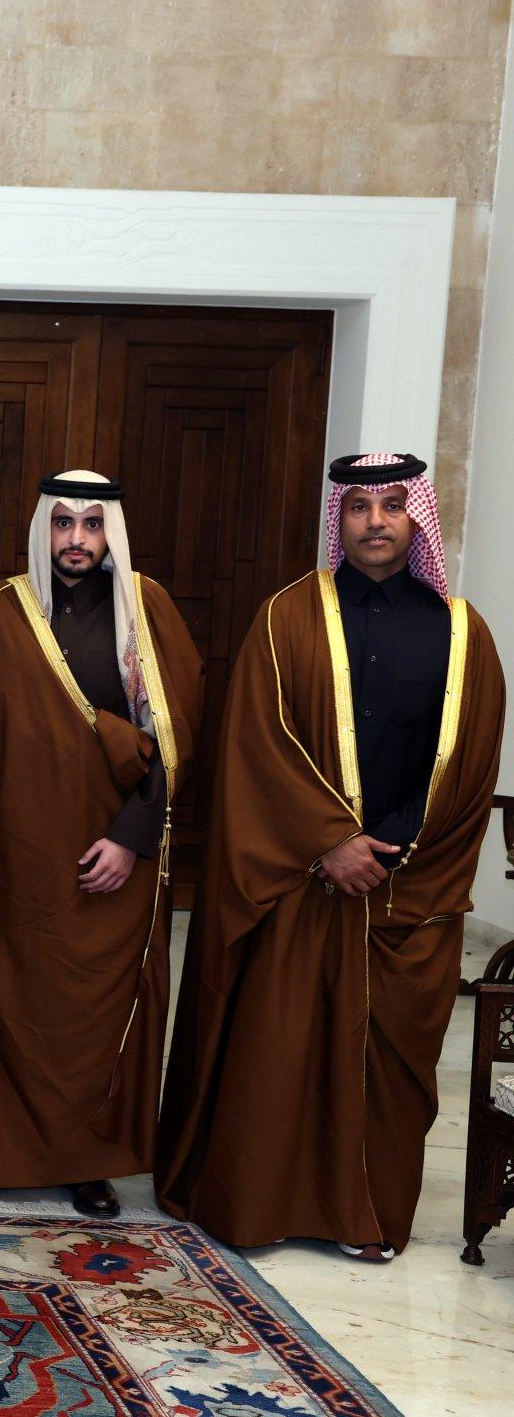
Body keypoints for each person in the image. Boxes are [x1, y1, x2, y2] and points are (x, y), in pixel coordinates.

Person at [157, 452, 504, 1261]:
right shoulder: (285, 618)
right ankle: (267, 1208)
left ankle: (369, 1217)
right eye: (358, 506)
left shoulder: (462, 630)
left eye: (391, 504)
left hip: (406, 888)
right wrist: (329, 841)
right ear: (337, 520)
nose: (375, 520)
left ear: (417, 515)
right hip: (301, 881)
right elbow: (255, 744)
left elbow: (471, 757)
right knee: (278, 1054)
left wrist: (392, 848)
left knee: (388, 1068)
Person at [0, 471, 202, 1217]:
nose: (77, 541)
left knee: (91, 1013)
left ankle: (84, 1162)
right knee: (1, 999)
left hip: (107, 851)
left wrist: (131, 837)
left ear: (110, 533)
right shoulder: (0, 607)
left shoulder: (145, 610)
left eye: (92, 525)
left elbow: (175, 735)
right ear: (43, 531)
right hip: (12, 848)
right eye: (63, 525)